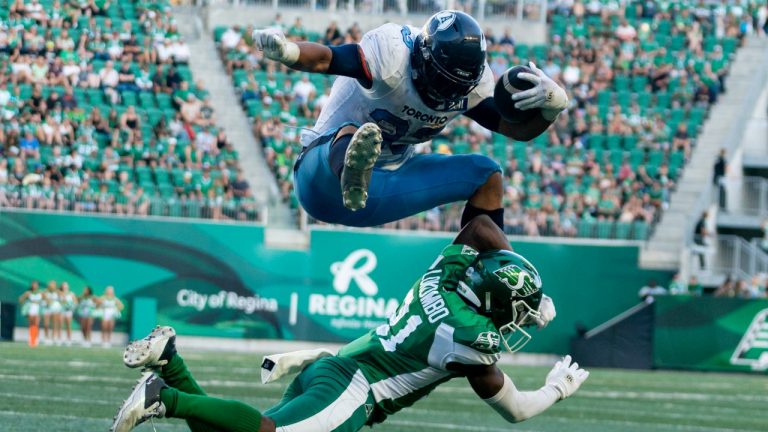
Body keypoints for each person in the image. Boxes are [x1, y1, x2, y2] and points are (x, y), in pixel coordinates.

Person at [111, 215, 588, 432]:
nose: (520, 320)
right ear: (493, 300)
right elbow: (517, 411)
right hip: (355, 393)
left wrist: (516, 273)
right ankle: (164, 397)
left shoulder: (443, 275)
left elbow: (481, 228)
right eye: (519, 310)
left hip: (328, 369)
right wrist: (558, 389)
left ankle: (169, 366)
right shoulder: (471, 344)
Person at [253, 11, 568, 230]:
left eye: (458, 88)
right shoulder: (392, 54)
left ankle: (493, 274)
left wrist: (552, 108)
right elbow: (327, 58)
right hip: (322, 183)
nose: (449, 94)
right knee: (352, 133)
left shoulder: (467, 84)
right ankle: (350, 174)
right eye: (444, 82)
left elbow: (517, 130)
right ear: (422, 58)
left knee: (487, 176)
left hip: (389, 184)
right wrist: (289, 51)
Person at [18, 280, 43, 347]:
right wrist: (25, 301)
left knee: (36, 324)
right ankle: (31, 339)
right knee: (31, 324)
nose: (34, 286)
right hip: (31, 309)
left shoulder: (41, 292)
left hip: (38, 309)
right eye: (33, 284)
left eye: (36, 284)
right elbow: (20, 299)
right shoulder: (28, 292)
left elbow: (45, 300)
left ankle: (36, 339)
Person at [42, 279, 62, 345]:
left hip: (55, 310)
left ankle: (53, 337)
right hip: (47, 309)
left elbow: (62, 300)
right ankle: (46, 337)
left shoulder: (58, 292)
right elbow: (45, 299)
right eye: (50, 284)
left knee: (54, 324)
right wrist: (49, 301)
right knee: (46, 324)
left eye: (53, 284)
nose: (52, 285)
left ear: (55, 285)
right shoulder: (45, 291)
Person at [59, 281, 78, 346]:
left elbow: (75, 302)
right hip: (61, 311)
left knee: (68, 325)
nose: (65, 286)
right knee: (60, 325)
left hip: (69, 311)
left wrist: (71, 307)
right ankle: (59, 339)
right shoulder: (60, 293)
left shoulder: (71, 294)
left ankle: (69, 339)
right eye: (63, 285)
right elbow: (58, 302)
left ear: (68, 286)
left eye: (66, 285)